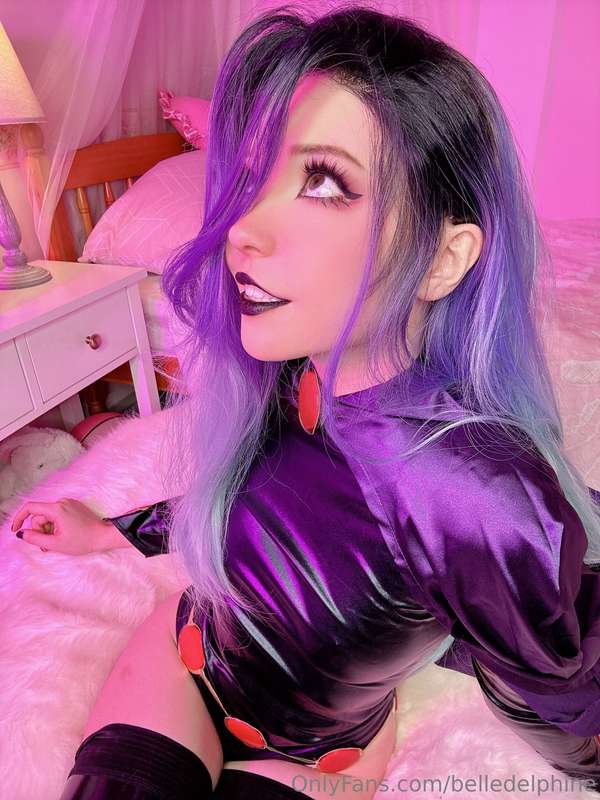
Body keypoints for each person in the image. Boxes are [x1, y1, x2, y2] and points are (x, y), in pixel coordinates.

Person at [12, 5, 600, 799]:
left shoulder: (474, 492)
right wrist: (111, 529)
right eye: (253, 177)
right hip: (179, 656)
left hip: (320, 756)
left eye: (324, 183)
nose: (241, 228)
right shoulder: (295, 377)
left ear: (443, 259)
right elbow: (262, 513)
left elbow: (555, 687)